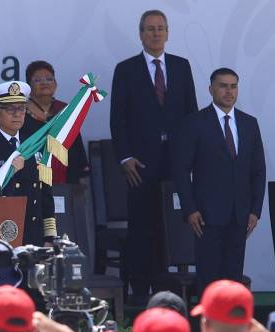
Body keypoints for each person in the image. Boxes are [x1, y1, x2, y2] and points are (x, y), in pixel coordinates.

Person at [110, 10, 198, 304]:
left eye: (161, 28)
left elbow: (190, 115)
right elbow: (118, 119)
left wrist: (191, 157)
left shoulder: (181, 67)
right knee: (142, 225)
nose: (156, 33)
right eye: (150, 29)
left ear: (168, 32)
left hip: (175, 162)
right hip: (140, 163)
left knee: (172, 225)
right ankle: (139, 288)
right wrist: (125, 158)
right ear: (141, 34)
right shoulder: (126, 69)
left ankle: (169, 289)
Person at [172, 68, 266, 292]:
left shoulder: (249, 123)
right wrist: (190, 209)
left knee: (233, 280)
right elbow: (181, 169)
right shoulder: (194, 122)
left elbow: (258, 170)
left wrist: (255, 210)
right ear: (211, 89)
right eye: (223, 86)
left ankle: (231, 327)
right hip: (206, 216)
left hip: (239, 215)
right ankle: (208, 327)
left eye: (233, 86)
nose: (229, 91)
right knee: (209, 278)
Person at [0, 81, 57, 247]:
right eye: (10, 109)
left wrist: (49, 236)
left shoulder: (35, 143)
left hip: (33, 233)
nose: (17, 114)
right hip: (0, 232)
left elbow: (45, 193)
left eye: (21, 108)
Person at [24, 60, 89, 184]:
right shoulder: (21, 113)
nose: (44, 83)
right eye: (38, 80)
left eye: (49, 79)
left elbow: (76, 146)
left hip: (66, 177)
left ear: (56, 84)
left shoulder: (65, 110)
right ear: (29, 86)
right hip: (33, 178)